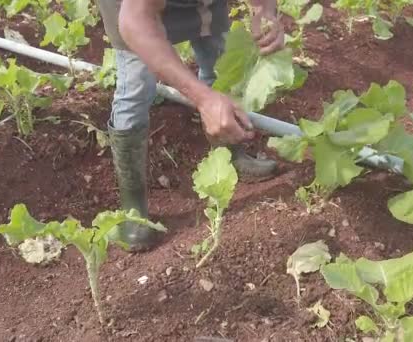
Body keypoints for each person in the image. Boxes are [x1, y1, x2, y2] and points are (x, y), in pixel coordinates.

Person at [96, 0, 285, 251]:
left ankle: (229, 158)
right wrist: (204, 98)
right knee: (136, 82)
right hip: (134, 11)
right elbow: (135, 22)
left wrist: (265, 11)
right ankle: (133, 206)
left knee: (220, 57)